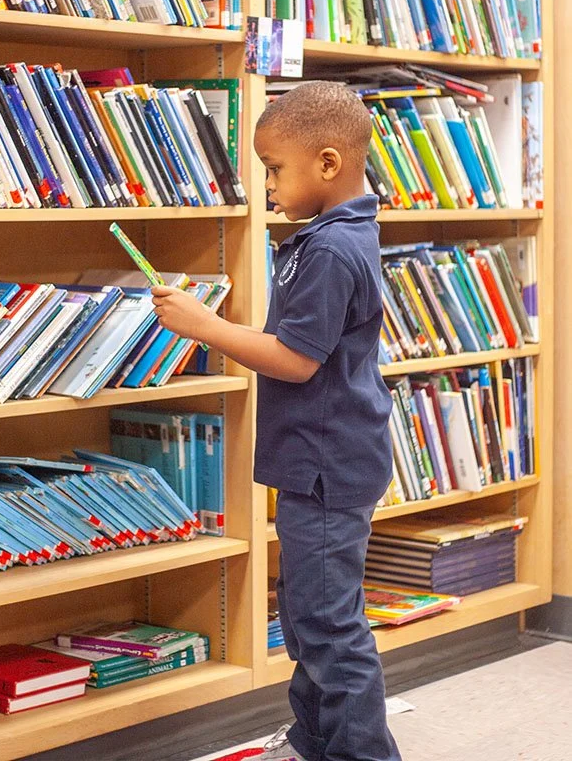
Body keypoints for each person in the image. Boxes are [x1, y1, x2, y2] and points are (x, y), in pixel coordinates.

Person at [151, 81, 402, 761]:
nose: (267, 186)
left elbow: (294, 361)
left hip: (327, 467)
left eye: (273, 169)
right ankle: (313, 740)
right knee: (305, 619)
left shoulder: (329, 249)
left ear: (327, 163)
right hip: (319, 461)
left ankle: (360, 754)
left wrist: (207, 327)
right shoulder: (333, 236)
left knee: (326, 625)